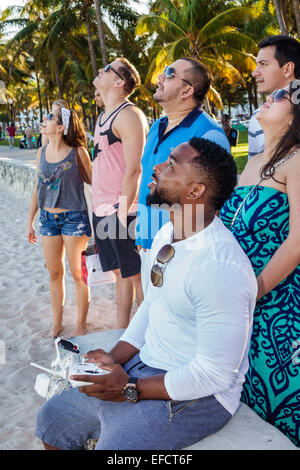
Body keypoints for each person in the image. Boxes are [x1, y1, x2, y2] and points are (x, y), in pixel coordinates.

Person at [35, 137, 257, 450]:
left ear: (195, 191)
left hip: (200, 397)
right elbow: (151, 306)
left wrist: (128, 386)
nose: (156, 167)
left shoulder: (219, 266)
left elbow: (214, 376)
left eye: (171, 165)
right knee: (53, 419)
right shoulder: (168, 233)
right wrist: (113, 359)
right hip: (145, 366)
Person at [220, 80, 300, 448]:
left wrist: (255, 291)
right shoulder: (253, 162)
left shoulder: (298, 159)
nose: (270, 96)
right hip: (243, 305)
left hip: (281, 309)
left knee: (283, 408)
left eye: (282, 95)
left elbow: (298, 241)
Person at [135, 57, 230, 293]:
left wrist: (183, 248)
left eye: (169, 73)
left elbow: (214, 204)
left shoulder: (208, 134)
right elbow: (148, 178)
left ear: (187, 90)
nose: (160, 78)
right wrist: (141, 235)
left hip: (180, 251)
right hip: (149, 245)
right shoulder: (157, 126)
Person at [26, 105, 93, 338]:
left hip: (75, 218)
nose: (44, 120)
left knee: (78, 274)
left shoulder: (78, 152)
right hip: (47, 219)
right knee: (54, 273)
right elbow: (37, 188)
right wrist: (30, 220)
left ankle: (81, 324)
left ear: (62, 127)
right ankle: (57, 323)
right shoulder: (41, 153)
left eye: (49, 117)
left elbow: (94, 183)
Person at [92, 58, 148, 329]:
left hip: (123, 208)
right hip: (101, 209)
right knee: (119, 273)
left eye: (107, 69)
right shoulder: (103, 116)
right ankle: (122, 332)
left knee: (136, 275)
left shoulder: (128, 115)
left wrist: (122, 213)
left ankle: (149, 331)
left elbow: (134, 170)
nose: (100, 71)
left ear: (119, 82)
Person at [248, 35, 300, 160]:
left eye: (263, 64)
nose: (254, 73)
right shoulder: (258, 116)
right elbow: (257, 173)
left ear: (287, 69)